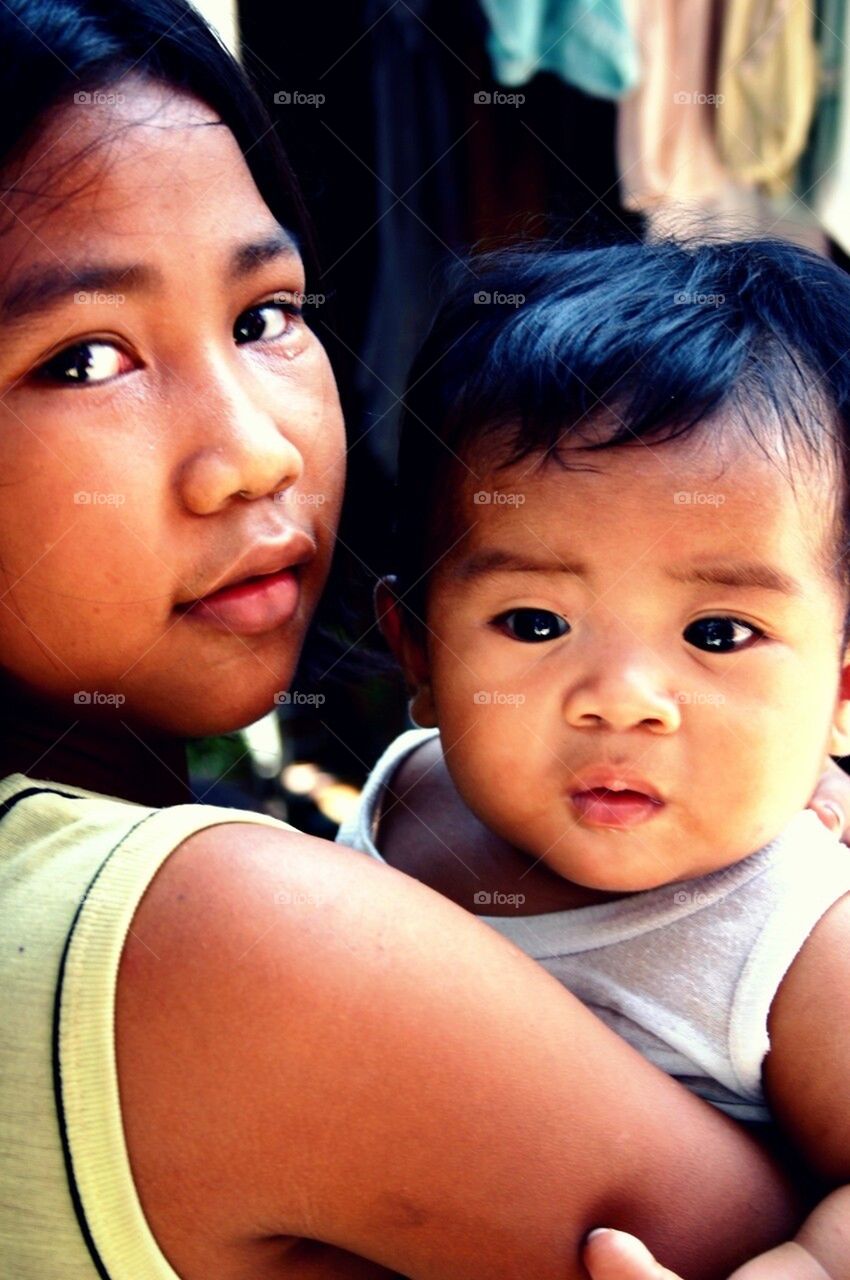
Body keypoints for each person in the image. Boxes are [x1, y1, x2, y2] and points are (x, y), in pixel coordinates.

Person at [0, 1, 847, 1276]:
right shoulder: (240, 928)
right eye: (83, 360)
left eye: (264, 315)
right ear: (421, 654)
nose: (257, 453)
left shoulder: (791, 928)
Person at [338, 238, 850, 1277]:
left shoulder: (799, 938)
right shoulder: (406, 798)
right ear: (420, 650)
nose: (621, 698)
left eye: (716, 634)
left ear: (840, 683)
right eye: (532, 622)